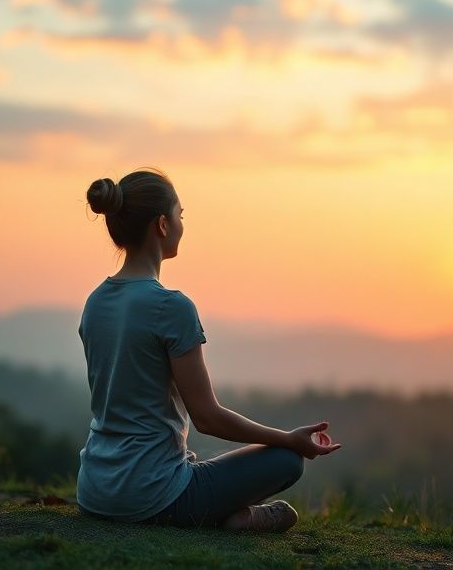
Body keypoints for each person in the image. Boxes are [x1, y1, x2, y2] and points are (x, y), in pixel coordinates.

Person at [75, 168, 342, 533]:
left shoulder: (95, 302)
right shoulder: (171, 307)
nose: (183, 225)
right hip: (152, 498)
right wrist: (289, 439)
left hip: (94, 490)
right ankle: (237, 516)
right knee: (286, 461)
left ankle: (224, 508)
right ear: (162, 225)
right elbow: (207, 417)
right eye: (180, 216)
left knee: (211, 463)